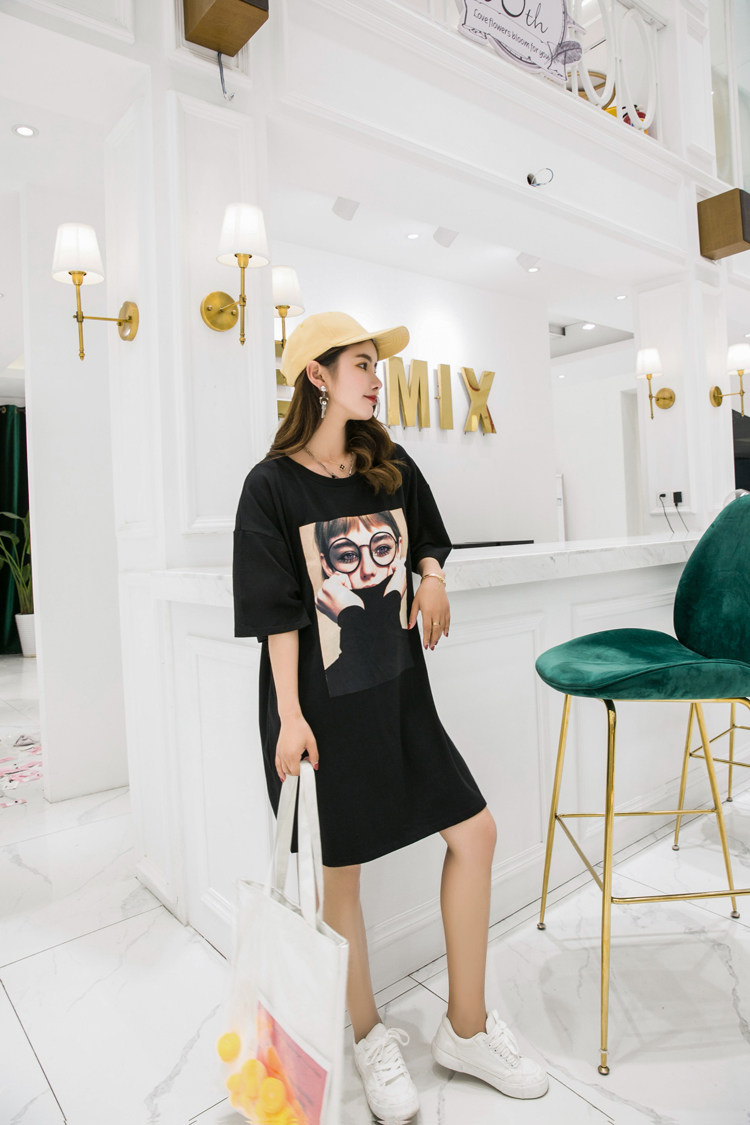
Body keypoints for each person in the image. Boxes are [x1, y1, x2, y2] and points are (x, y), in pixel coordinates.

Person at [233, 311, 548, 1123]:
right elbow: (276, 614)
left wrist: (433, 576)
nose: (378, 379)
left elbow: (430, 538)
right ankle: (369, 1036)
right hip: (320, 711)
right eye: (364, 364)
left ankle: (466, 1028)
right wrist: (289, 715)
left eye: (378, 366)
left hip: (402, 695)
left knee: (474, 833)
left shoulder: (389, 463)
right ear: (318, 375)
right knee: (341, 872)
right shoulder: (272, 486)